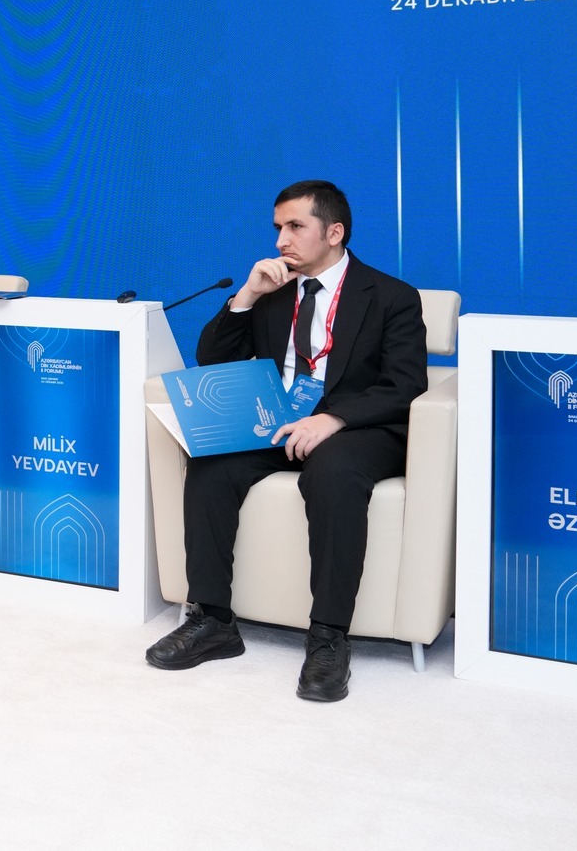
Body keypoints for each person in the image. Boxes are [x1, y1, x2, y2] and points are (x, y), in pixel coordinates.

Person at [145, 180, 427, 702]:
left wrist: (334, 419)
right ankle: (212, 620)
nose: (281, 240)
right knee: (210, 464)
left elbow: (405, 385)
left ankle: (328, 637)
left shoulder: (392, 296)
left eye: (295, 226)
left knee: (334, 473)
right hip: (277, 422)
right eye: (277, 228)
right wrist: (247, 296)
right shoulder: (274, 294)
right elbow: (213, 359)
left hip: (356, 429)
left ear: (334, 233)